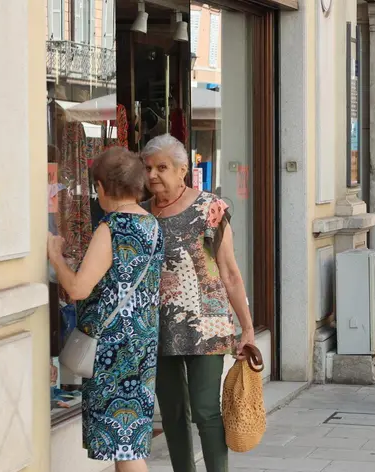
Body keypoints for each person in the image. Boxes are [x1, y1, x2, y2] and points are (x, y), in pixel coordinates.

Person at [141, 135, 256, 472]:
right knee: (173, 413)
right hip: (159, 327)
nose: (152, 175)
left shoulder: (210, 208)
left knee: (206, 410)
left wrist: (247, 329)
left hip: (207, 324)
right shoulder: (141, 214)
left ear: (182, 171)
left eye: (162, 167)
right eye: (148, 168)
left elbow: (230, 273)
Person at [48, 148, 164, 471]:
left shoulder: (110, 228)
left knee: (124, 448)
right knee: (128, 442)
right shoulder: (152, 226)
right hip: (141, 342)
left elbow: (77, 289)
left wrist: (55, 257)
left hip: (111, 349)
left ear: (100, 187)